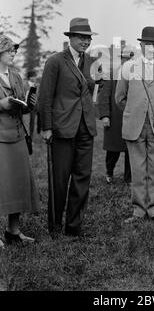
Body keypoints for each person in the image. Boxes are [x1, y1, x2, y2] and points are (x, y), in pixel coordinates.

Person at [39, 17, 98, 237]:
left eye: (88, 38)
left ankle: (74, 227)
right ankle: (54, 226)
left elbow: (90, 92)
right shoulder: (55, 61)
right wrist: (47, 127)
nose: (85, 42)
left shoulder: (92, 62)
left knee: (82, 178)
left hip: (86, 129)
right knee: (60, 180)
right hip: (62, 128)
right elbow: (45, 97)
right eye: (81, 37)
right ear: (70, 38)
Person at [115, 26, 154, 225]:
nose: (150, 47)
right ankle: (138, 210)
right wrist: (134, 112)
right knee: (138, 169)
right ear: (141, 45)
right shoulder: (128, 68)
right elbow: (120, 98)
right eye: (146, 43)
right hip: (135, 125)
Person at [0, 35, 39, 249]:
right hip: (0, 138)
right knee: (1, 186)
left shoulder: (15, 75)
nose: (13, 54)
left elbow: (22, 105)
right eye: (9, 51)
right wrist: (1, 103)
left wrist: (29, 103)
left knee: (17, 184)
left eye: (15, 51)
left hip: (17, 136)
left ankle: (13, 230)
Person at [98, 46, 134, 185]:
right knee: (113, 150)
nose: (127, 61)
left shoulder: (137, 75)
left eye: (130, 58)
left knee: (131, 150)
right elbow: (104, 96)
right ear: (121, 59)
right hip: (115, 119)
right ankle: (109, 172)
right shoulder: (111, 74)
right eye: (125, 58)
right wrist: (105, 116)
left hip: (131, 118)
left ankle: (129, 178)